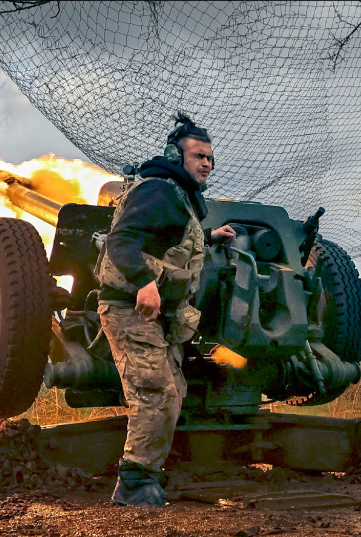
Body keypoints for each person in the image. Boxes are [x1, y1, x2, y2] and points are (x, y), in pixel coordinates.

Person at [95, 112, 236, 507]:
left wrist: (209, 236)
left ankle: (147, 475)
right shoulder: (156, 190)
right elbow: (121, 241)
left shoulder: (179, 198)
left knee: (173, 391)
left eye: (210, 157)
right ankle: (134, 485)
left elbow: (169, 243)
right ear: (176, 156)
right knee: (154, 391)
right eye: (199, 156)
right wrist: (144, 282)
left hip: (161, 319)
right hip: (130, 309)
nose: (207, 163)